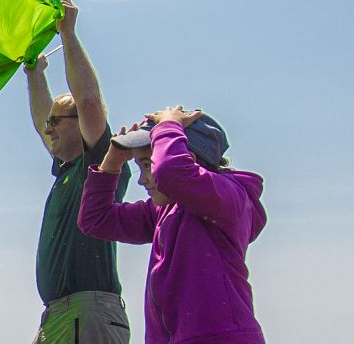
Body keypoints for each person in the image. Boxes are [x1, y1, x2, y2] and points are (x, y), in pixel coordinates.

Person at [78, 107, 267, 344]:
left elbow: (171, 172)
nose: (141, 179)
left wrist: (168, 125)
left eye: (148, 165)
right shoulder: (163, 210)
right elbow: (96, 219)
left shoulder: (228, 197)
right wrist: (113, 159)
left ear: (190, 160)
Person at [26, 0, 134, 343]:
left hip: (88, 313)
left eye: (56, 122)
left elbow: (88, 101)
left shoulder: (99, 164)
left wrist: (68, 35)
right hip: (59, 315)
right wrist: (34, 75)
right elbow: (45, 119)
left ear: (80, 125)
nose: (49, 129)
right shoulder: (67, 170)